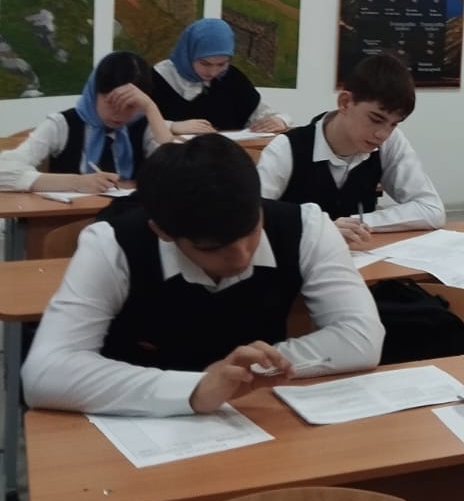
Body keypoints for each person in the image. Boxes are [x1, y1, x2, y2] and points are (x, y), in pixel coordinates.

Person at [21, 134, 383, 416]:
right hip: (141, 424)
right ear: (163, 232)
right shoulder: (112, 243)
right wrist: (195, 389)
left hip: (255, 414)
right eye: (213, 248)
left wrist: (251, 370)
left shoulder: (307, 226)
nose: (241, 256)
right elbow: (44, 372)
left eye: (252, 232)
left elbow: (362, 337)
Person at [255, 53, 445, 250]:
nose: (383, 134)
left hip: (361, 259)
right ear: (345, 102)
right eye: (375, 119)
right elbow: (249, 218)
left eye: (394, 124)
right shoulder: (286, 148)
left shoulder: (390, 142)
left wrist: (359, 223)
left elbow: (431, 209)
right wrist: (319, 228)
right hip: (296, 261)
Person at [0, 52, 174, 192]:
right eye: (111, 102)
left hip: (128, 216)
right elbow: (4, 169)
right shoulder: (62, 124)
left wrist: (151, 108)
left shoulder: (143, 125)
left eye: (130, 106)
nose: (119, 113)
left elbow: (177, 173)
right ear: (94, 92)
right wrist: (76, 183)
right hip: (67, 218)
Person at [148, 18, 290, 135]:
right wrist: (171, 126)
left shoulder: (231, 78)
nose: (213, 72)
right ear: (188, 54)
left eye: (221, 64)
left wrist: (279, 120)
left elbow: (260, 113)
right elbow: (137, 125)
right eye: (205, 64)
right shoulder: (156, 79)